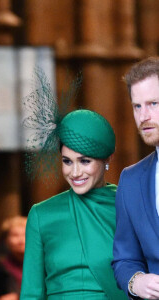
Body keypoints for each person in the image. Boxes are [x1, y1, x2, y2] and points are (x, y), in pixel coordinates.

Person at [21, 109, 127, 299]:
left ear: (107, 159)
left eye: (85, 161)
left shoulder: (129, 206)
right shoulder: (41, 215)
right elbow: (31, 293)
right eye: (67, 161)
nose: (75, 172)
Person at [112, 57, 159, 300]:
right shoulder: (130, 180)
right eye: (137, 106)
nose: (143, 116)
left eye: (153, 103)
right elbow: (124, 258)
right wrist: (136, 282)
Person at [0, 216, 27, 293]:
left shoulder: (43, 265)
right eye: (15, 235)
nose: (21, 240)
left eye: (25, 235)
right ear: (6, 240)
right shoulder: (0, 267)